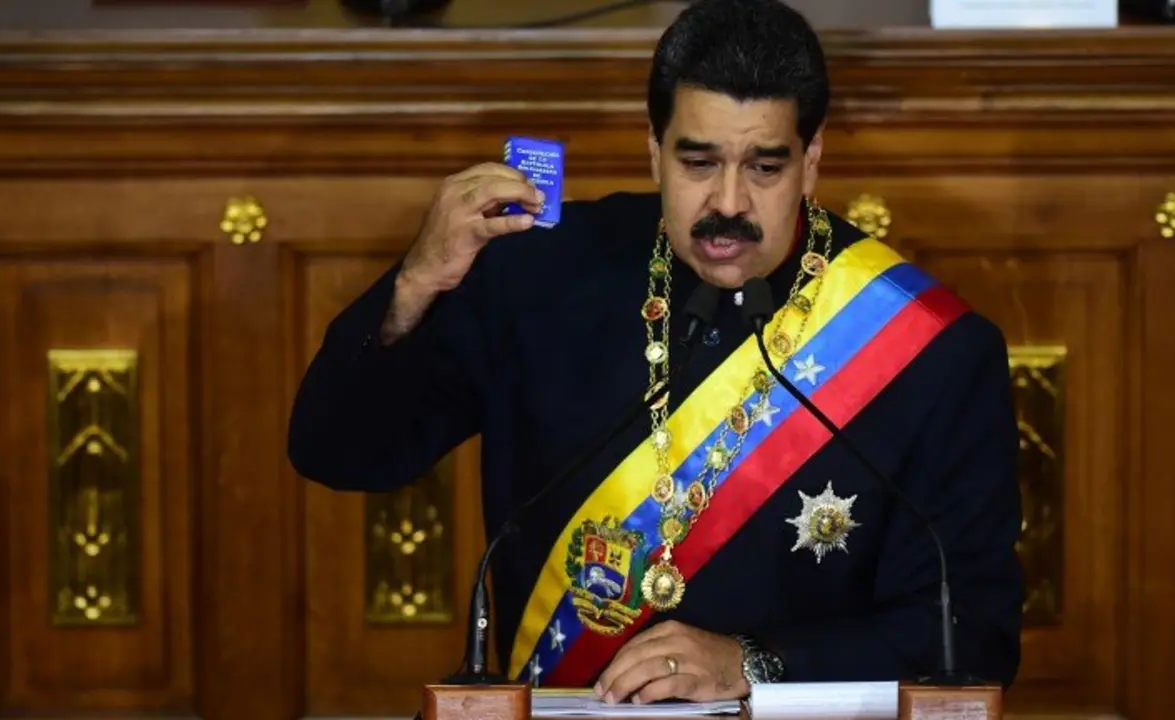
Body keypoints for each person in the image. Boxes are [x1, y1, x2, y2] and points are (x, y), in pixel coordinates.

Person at [287, 0, 1024, 705]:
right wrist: (416, 283)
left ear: (812, 159)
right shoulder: (540, 276)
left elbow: (973, 636)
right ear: (654, 151)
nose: (729, 203)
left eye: (765, 167)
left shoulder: (931, 351)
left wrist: (754, 661)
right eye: (698, 163)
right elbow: (339, 451)